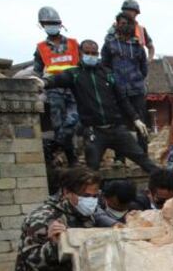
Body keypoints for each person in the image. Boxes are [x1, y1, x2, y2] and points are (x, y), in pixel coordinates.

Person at [43, 40, 157, 174]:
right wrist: (43, 82)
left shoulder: (108, 74)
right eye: (87, 53)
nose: (91, 56)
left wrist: (136, 118)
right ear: (80, 53)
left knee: (144, 160)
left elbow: (122, 99)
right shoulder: (75, 74)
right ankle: (90, 195)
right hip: (94, 131)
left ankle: (165, 186)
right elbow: (56, 79)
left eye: (94, 53)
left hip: (117, 128)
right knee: (91, 171)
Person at [33, 6, 79, 167]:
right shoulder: (41, 48)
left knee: (73, 120)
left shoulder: (73, 44)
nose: (51, 26)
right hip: (54, 90)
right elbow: (37, 71)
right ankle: (71, 158)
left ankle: (54, 148)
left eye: (54, 23)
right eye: (48, 23)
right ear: (42, 25)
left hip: (73, 88)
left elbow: (81, 66)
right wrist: (38, 84)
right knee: (59, 125)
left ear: (60, 24)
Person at [102, 12, 150, 161]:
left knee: (140, 123)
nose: (125, 26)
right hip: (117, 91)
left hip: (137, 90)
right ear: (117, 25)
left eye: (128, 23)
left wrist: (136, 80)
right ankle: (120, 157)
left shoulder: (138, 47)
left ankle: (143, 155)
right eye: (122, 23)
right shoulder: (110, 45)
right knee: (119, 125)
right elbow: (105, 65)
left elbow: (144, 68)